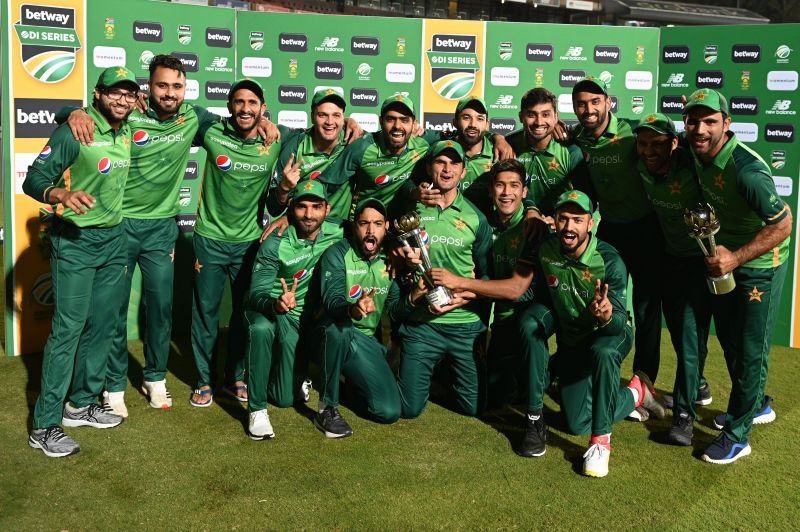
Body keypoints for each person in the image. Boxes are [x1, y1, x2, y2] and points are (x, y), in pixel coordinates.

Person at [60, 55, 277, 416]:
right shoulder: (130, 111)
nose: (170, 93)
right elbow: (86, 113)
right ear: (149, 87)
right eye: (162, 85)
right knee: (112, 309)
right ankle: (114, 385)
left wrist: (268, 123)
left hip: (163, 228)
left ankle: (155, 376)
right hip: (119, 223)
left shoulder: (194, 118)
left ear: (186, 89)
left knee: (160, 308)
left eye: (177, 86)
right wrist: (74, 111)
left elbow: (240, 124)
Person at [24, 66, 139, 457]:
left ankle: (80, 404)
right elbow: (32, 179)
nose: (122, 100)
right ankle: (43, 425)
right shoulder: (75, 130)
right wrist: (57, 194)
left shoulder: (125, 128)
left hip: (113, 239)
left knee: (103, 324)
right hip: (74, 242)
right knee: (67, 331)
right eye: (114, 93)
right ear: (98, 94)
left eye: (129, 93)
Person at [682, 89, 792, 464]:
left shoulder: (746, 170)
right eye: (693, 121)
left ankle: (738, 435)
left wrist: (737, 258)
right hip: (724, 261)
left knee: (750, 349)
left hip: (759, 265)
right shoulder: (694, 150)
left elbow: (783, 225)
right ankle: (756, 404)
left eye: (710, 121)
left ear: (727, 125)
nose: (700, 129)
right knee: (731, 340)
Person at [190, 79, 292, 408]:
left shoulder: (278, 139)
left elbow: (320, 138)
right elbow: (180, 110)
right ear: (230, 106)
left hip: (248, 242)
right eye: (238, 102)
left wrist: (349, 123)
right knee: (205, 315)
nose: (244, 108)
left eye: (252, 103)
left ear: (263, 107)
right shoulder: (212, 130)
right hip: (209, 240)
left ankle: (235, 377)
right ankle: (204, 380)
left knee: (242, 315)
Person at [571, 76, 665, 389]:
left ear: (608, 103)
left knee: (647, 308)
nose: (589, 109)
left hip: (646, 228)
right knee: (604, 299)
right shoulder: (577, 138)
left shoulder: (631, 133)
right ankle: (595, 370)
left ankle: (645, 380)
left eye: (595, 102)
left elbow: (664, 149)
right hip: (610, 229)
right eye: (582, 104)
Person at [393, 140, 492, 418]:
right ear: (429, 168)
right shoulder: (412, 212)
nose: (447, 169)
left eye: (454, 164)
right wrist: (402, 258)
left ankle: (443, 375)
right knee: (409, 409)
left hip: (464, 325)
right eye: (440, 162)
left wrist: (462, 297)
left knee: (472, 408)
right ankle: (418, 367)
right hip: (423, 325)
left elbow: (486, 277)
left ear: (463, 172)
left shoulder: (476, 218)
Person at [633, 113, 712, 444]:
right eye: (644, 143)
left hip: (699, 261)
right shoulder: (638, 163)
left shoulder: (691, 164)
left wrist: (711, 252)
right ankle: (698, 385)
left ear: (674, 143)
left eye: (658, 143)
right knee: (674, 329)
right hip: (667, 257)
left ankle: (684, 417)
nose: (649, 150)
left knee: (690, 336)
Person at [244, 180, 344, 439]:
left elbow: (372, 230)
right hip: (277, 314)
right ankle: (256, 409)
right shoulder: (274, 243)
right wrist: (276, 304)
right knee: (261, 328)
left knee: (286, 397)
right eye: (301, 207)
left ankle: (292, 377)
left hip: (310, 320)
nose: (309, 215)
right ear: (291, 208)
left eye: (316, 207)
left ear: (327, 208)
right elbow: (256, 294)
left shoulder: (339, 232)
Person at [313, 198, 402, 437]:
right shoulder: (338, 253)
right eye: (364, 223)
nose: (371, 230)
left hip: (367, 342)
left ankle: (346, 384)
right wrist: (353, 309)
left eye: (377, 224)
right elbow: (331, 301)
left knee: (388, 411)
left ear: (387, 227)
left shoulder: (391, 260)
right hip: (335, 333)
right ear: (355, 226)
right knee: (338, 330)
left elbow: (394, 309)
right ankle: (326, 409)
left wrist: (415, 297)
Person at [266, 88, 363, 223]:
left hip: (340, 229)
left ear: (343, 118)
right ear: (312, 116)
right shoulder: (295, 147)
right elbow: (273, 209)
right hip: (302, 227)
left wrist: (350, 121)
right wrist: (283, 188)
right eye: (322, 115)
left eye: (336, 115)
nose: (330, 122)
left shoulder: (353, 140)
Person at [505, 88, 589, 219]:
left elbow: (585, 198)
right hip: (519, 225)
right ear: (521, 117)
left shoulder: (571, 151)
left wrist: (558, 220)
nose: (539, 122)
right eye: (531, 115)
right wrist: (495, 137)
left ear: (556, 117)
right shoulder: (509, 143)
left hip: (559, 227)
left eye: (545, 114)